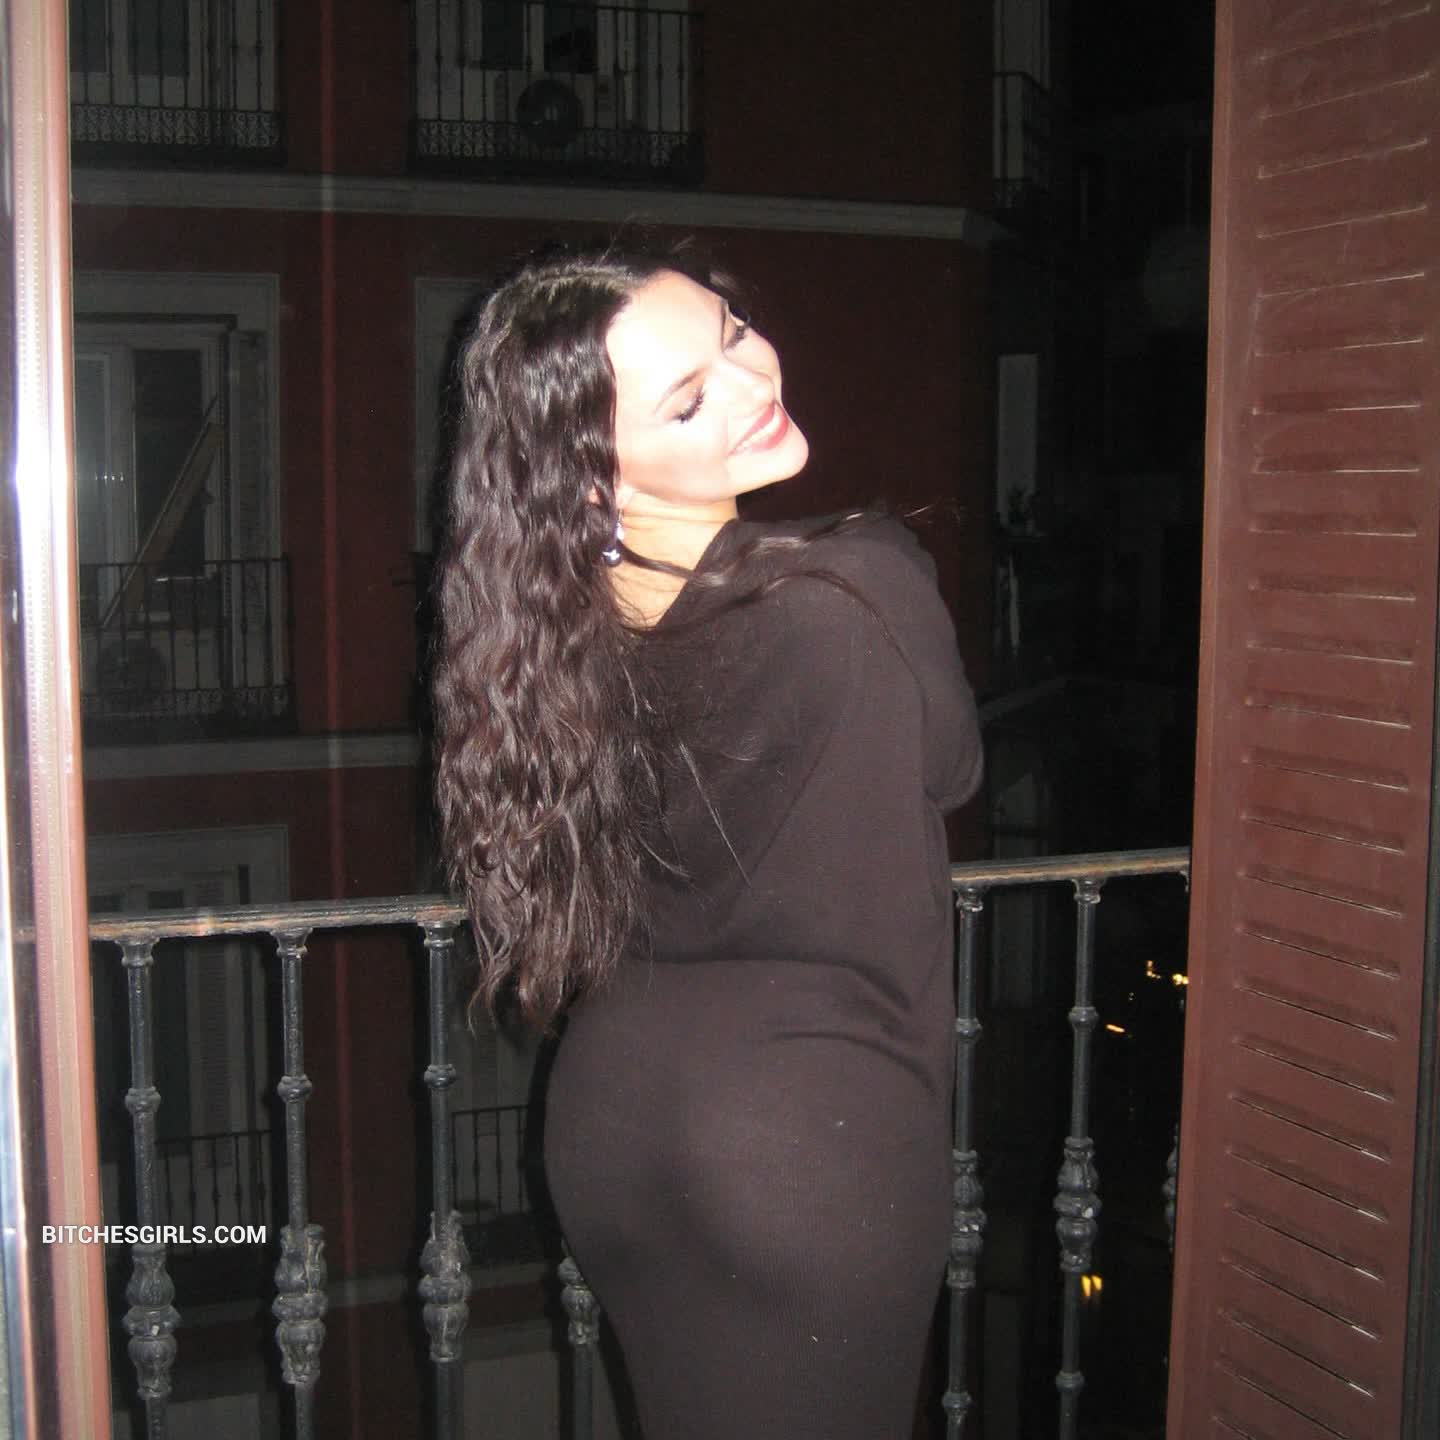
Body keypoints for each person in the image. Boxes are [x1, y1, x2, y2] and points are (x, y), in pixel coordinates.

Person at [432, 245, 982, 1440]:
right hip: (807, 1131)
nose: (750, 383)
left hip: (609, 1119)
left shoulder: (545, 653)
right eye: (687, 401)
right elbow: (953, 769)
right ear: (595, 488)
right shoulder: (859, 586)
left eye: (731, 333)